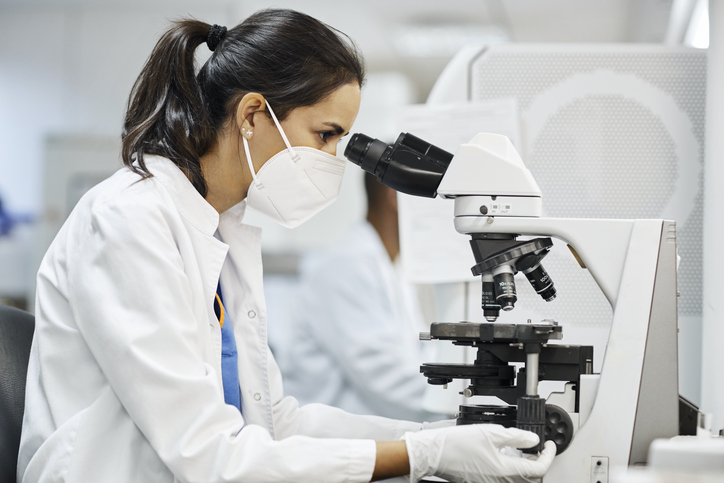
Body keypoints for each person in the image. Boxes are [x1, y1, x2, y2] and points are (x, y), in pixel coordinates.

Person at [17, 9, 555, 483]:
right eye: (325, 135)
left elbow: (275, 421)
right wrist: (423, 455)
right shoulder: (129, 219)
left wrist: (435, 434)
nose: (333, 158)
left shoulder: (225, 229)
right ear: (253, 115)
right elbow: (211, 458)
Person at [281, 173, 444, 422]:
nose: (444, 208)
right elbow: (385, 378)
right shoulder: (347, 266)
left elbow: (417, 358)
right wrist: (460, 400)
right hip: (327, 446)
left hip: (365, 439)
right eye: (437, 195)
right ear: (395, 195)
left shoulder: (390, 269)